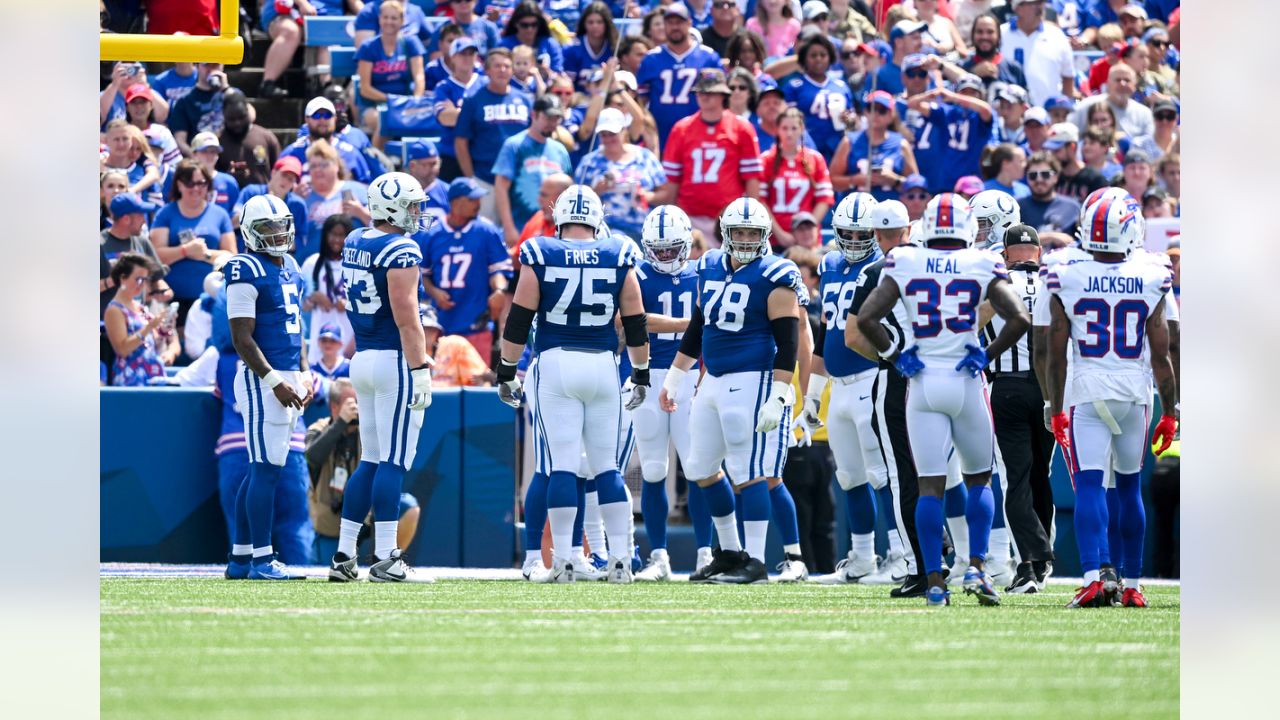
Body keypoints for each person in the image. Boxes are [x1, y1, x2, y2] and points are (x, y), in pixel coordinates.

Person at [855, 193, 1031, 607]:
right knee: (979, 479)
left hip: (923, 381)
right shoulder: (981, 262)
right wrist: (985, 354)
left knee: (929, 486)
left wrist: (897, 356)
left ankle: (934, 581)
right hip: (966, 379)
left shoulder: (906, 262)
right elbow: (1020, 317)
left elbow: (866, 318)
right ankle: (977, 566)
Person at [496, 185, 651, 583]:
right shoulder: (618, 250)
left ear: (558, 216)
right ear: (596, 218)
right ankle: (620, 562)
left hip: (556, 363)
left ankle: (563, 560)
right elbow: (635, 321)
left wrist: (507, 370)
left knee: (562, 465)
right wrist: (641, 373)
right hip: (602, 364)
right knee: (607, 468)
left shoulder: (540, 250)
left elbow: (518, 318)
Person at [659, 196, 809, 584]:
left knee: (752, 472)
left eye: (751, 233)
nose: (744, 239)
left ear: (764, 236)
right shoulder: (708, 264)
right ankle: (729, 552)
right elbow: (698, 325)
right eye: (738, 232)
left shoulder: (777, 274)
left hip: (754, 379)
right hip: (712, 380)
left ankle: (756, 561)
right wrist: (675, 377)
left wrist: (780, 394)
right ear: (725, 232)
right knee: (701, 468)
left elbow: (789, 342)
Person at [1045, 198, 1178, 609]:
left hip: (1087, 388)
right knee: (1128, 489)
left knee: (1088, 486)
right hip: (1135, 394)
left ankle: (1092, 578)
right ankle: (1132, 582)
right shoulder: (1151, 275)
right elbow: (1162, 353)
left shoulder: (1067, 274)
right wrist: (1171, 411)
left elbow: (1054, 351)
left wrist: (1054, 407)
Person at [328, 172, 436, 584]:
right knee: (392, 460)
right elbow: (409, 321)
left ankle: (343, 556)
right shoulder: (401, 249)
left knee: (371, 460)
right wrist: (420, 368)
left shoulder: (356, 240)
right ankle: (387, 558)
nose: (417, 213)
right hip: (394, 360)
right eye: (412, 206)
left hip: (364, 356)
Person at [804, 192, 901, 585]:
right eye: (848, 233)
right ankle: (862, 557)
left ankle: (900, 555)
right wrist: (812, 391)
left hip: (871, 378)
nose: (856, 241)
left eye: (863, 234)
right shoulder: (828, 264)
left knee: (883, 474)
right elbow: (827, 330)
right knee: (849, 477)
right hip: (839, 387)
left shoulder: (887, 267)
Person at [219, 195, 313, 580]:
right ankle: (261, 558)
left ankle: (241, 559)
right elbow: (242, 337)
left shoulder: (291, 266)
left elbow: (297, 330)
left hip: (288, 375)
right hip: (263, 379)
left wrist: (305, 373)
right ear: (249, 234)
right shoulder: (243, 268)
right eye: (268, 229)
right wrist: (274, 381)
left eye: (281, 227)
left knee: (262, 471)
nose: (277, 235)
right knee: (265, 470)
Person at [630, 206, 714, 580]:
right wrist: (688, 324)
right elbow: (629, 319)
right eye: (658, 249)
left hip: (689, 375)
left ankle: (706, 553)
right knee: (652, 469)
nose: (664, 256)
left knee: (699, 469)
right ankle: (659, 556)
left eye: (671, 249)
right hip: (648, 376)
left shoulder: (704, 273)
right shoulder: (636, 274)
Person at [843, 198, 922, 592]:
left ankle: (919, 563)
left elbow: (854, 335)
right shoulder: (944, 264)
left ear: (876, 235)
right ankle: (975, 559)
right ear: (910, 229)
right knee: (960, 475)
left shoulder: (878, 271)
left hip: (899, 378)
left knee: (901, 475)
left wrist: (894, 356)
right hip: (954, 377)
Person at [973, 222, 1056, 593]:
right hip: (1050, 389)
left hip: (1005, 388)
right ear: (1038, 252)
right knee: (1041, 475)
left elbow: (970, 326)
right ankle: (1040, 559)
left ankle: (1030, 561)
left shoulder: (995, 284)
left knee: (1016, 478)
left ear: (1005, 253)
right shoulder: (1056, 281)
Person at [306, 378, 421, 563]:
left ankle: (385, 559)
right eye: (352, 403)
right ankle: (347, 557)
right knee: (326, 572)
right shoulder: (318, 428)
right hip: (330, 524)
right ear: (334, 407)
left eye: (361, 402)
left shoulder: (368, 430)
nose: (358, 408)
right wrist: (340, 423)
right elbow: (311, 458)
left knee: (408, 505)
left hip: (368, 518)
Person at [653, 69, 762, 239]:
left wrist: (752, 219)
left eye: (710, 92)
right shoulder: (681, 129)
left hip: (728, 218)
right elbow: (673, 181)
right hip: (690, 217)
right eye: (700, 92)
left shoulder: (742, 128)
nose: (704, 96)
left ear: (722, 95)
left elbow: (752, 179)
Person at [420, 178, 513, 361]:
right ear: (455, 202)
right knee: (443, 379)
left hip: (476, 321)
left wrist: (500, 291)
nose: (478, 204)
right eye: (472, 199)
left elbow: (498, 270)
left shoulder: (486, 230)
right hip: (441, 323)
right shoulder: (432, 234)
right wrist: (435, 292)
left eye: (478, 198)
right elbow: (423, 276)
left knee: (476, 378)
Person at [455, 48, 535, 221]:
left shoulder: (524, 100)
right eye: (497, 66)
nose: (502, 70)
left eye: (507, 66)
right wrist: (471, 178)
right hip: (485, 179)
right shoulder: (473, 100)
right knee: (487, 234)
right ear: (487, 70)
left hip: (519, 181)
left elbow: (534, 136)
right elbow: (461, 142)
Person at [150, 159, 236, 308]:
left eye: (201, 183)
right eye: (190, 183)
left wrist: (205, 254)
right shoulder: (165, 214)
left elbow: (232, 257)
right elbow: (155, 257)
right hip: (173, 300)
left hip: (213, 300)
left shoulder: (220, 214)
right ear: (179, 185)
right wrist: (184, 251)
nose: (196, 188)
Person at [573, 108, 667, 241]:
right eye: (603, 134)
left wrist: (646, 196)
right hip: (602, 233)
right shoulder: (589, 162)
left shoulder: (645, 157)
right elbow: (575, 199)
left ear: (624, 130)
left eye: (612, 133)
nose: (608, 138)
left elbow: (666, 194)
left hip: (642, 231)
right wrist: (595, 192)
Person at [493, 95, 574, 247]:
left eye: (556, 118)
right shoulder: (514, 145)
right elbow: (501, 187)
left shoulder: (560, 150)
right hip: (520, 224)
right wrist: (509, 227)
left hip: (554, 231)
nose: (552, 123)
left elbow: (568, 189)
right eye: (549, 118)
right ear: (534, 115)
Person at [636, 4, 725, 140]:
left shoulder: (708, 57)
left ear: (689, 23)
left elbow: (720, 99)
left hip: (699, 135)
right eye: (670, 23)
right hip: (661, 135)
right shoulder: (651, 59)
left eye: (679, 22)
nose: (675, 27)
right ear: (664, 25)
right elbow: (641, 101)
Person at [760, 108, 834, 248]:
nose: (789, 133)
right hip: (774, 239)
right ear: (777, 130)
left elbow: (824, 199)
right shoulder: (766, 160)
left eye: (794, 128)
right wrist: (779, 234)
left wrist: (807, 232)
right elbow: (760, 201)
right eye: (785, 128)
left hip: (808, 241)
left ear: (802, 129)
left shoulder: (815, 159)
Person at [830, 90, 918, 202]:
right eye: (871, 109)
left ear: (891, 115)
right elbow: (832, 180)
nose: (875, 114)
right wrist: (855, 180)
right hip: (857, 212)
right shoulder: (849, 141)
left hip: (890, 211)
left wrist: (894, 180)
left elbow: (916, 185)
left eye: (882, 110)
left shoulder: (901, 144)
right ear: (865, 112)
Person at [355, 0, 427, 135]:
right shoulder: (368, 47)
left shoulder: (411, 42)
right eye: (385, 17)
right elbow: (365, 88)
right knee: (385, 122)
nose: (389, 22)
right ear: (379, 19)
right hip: (375, 104)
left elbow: (419, 76)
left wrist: (416, 100)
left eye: (394, 18)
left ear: (402, 20)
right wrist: (391, 100)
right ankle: (381, 156)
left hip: (406, 102)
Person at [779, 32, 853, 158]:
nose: (818, 59)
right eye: (813, 55)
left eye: (823, 55)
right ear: (804, 59)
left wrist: (849, 120)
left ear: (830, 58)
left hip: (836, 149)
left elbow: (853, 120)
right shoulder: (794, 87)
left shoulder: (841, 87)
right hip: (806, 148)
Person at [103, 252, 173, 386]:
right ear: (123, 278)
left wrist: (164, 329)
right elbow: (122, 349)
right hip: (131, 380)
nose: (142, 285)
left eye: (145, 280)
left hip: (151, 376)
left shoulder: (140, 307)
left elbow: (151, 344)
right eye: (138, 279)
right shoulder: (114, 310)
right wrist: (148, 328)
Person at [301, 140, 371, 260]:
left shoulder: (355, 190)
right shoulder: (303, 195)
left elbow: (381, 227)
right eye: (313, 166)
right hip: (311, 267)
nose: (318, 170)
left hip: (351, 266)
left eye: (324, 165)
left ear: (337, 166)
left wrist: (360, 212)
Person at [282, 97, 374, 185]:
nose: (322, 120)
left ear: (335, 118)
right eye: (316, 115)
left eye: (327, 115)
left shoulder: (350, 153)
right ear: (307, 119)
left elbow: (365, 188)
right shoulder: (292, 153)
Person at [1000, 0, 1075, 106]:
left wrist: (1063, 109)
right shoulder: (1000, 34)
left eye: (1041, 3)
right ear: (1018, 8)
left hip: (1048, 115)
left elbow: (1068, 77)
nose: (1040, 7)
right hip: (1010, 114)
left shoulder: (1057, 35)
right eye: (1034, 3)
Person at [301, 214, 356, 359]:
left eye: (342, 235)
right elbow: (302, 307)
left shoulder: (357, 265)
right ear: (325, 235)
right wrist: (314, 298)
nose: (337, 240)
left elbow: (369, 303)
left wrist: (349, 304)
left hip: (349, 339)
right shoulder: (311, 263)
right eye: (333, 234)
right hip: (320, 340)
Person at [101, 194, 165, 317]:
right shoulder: (99, 245)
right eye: (140, 215)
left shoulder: (142, 241)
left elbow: (157, 277)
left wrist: (162, 290)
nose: (145, 221)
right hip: (105, 327)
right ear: (126, 219)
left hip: (136, 322)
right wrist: (115, 279)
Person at [432, 38, 485, 182]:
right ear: (453, 57)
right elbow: (445, 118)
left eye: (471, 53)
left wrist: (459, 112)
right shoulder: (444, 87)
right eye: (462, 54)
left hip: (482, 155)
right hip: (452, 156)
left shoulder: (485, 83)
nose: (467, 58)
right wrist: (479, 113)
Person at [234, 156, 309, 251]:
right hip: (247, 254)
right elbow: (233, 222)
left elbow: (301, 241)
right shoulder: (251, 192)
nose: (286, 181)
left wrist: (274, 243)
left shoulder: (298, 205)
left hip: (278, 261)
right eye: (284, 175)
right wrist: (259, 210)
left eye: (290, 179)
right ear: (273, 172)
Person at [1072, 64, 1153, 141]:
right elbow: (1070, 133)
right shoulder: (1088, 106)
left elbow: (1150, 144)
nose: (1122, 84)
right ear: (1108, 84)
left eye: (1127, 80)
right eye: (1118, 80)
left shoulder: (1144, 113)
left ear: (1134, 85)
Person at [219, 93, 281, 188]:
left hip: (262, 199)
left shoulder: (267, 137)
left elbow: (279, 170)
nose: (237, 123)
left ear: (248, 111)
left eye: (241, 117)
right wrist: (227, 176)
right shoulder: (217, 142)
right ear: (224, 115)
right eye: (232, 119)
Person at [167, 63, 229, 156]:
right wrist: (198, 158)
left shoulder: (230, 94)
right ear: (197, 67)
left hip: (227, 155)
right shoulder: (185, 100)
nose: (210, 70)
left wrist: (225, 90)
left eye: (215, 66)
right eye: (206, 65)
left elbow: (249, 115)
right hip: (199, 157)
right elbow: (180, 140)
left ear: (222, 66)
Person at [173, 132, 239, 217]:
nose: (209, 155)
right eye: (204, 151)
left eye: (213, 152)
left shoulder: (229, 182)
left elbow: (236, 212)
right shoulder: (184, 180)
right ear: (194, 154)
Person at [1020, 152, 1081, 235]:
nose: (1039, 180)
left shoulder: (1073, 207)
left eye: (1045, 174)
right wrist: (1049, 237)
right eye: (1033, 175)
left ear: (1055, 177)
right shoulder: (1017, 208)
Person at [961, 13, 1027, 91]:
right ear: (973, 35)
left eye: (990, 32)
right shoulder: (962, 67)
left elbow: (1024, 101)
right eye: (979, 32)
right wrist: (972, 74)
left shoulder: (1014, 68)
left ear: (998, 36)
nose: (984, 36)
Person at [1047, 122, 1107, 202]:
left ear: (1072, 147)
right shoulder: (1050, 178)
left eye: (1057, 150)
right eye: (1051, 151)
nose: (1053, 155)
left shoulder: (1095, 180)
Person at [102, 120, 162, 199]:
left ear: (131, 140)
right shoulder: (99, 164)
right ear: (106, 141)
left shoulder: (143, 170)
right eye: (116, 139)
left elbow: (156, 207)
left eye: (125, 139)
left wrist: (131, 192)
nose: (121, 144)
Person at [563, 3, 617, 90]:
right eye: (590, 22)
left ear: (607, 24)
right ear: (584, 24)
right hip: (579, 99)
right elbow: (569, 85)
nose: (595, 26)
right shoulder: (572, 49)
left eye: (599, 22)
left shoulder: (614, 48)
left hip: (607, 100)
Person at [499, 1, 564, 74]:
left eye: (534, 24)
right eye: (524, 25)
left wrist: (547, 72)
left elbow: (558, 74)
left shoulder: (550, 44)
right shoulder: (504, 45)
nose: (530, 29)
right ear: (515, 23)